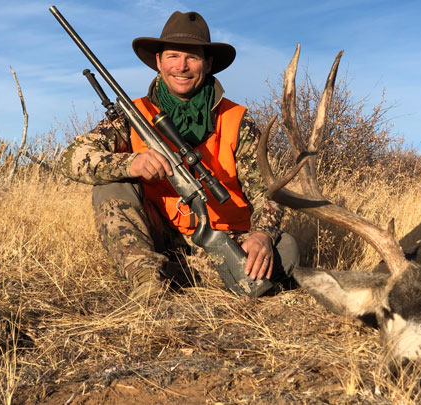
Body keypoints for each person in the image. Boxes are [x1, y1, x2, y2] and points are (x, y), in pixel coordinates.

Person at [60, 11, 299, 300]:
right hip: (157, 233)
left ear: (208, 64)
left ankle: (179, 272)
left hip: (227, 234)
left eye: (192, 58)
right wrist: (131, 162)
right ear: (159, 61)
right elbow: (72, 157)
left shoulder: (237, 120)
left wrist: (262, 235)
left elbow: (268, 192)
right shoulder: (133, 114)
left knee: (287, 250)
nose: (181, 66)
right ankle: (148, 278)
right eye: (173, 56)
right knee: (111, 185)